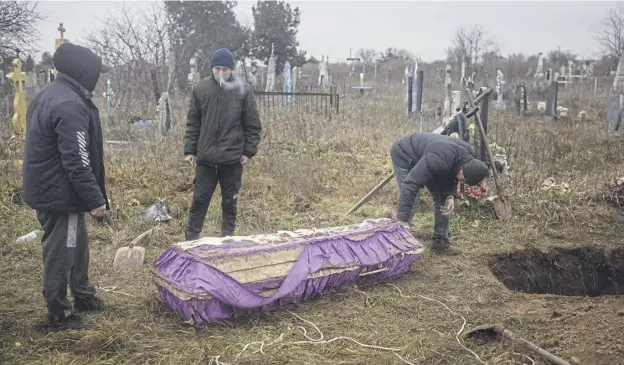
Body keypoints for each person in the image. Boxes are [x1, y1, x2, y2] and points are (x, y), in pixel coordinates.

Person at [22, 43, 111, 331]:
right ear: (83, 72)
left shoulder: (53, 94)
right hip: (60, 193)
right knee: (62, 249)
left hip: (53, 188)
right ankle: (59, 312)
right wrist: (95, 199)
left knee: (77, 244)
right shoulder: (69, 104)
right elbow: (77, 159)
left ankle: (83, 294)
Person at [183, 48, 262, 240]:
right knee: (199, 201)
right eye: (217, 68)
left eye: (225, 69)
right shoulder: (201, 89)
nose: (221, 73)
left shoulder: (243, 91)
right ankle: (191, 240)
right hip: (206, 159)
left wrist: (248, 152)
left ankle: (227, 240)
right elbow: (193, 122)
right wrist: (190, 150)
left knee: (230, 202)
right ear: (212, 68)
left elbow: (252, 125)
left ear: (231, 70)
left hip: (232, 159)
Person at [390, 132, 489, 255]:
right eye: (463, 180)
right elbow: (410, 184)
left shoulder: (466, 155)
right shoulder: (437, 161)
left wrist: (449, 195)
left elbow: (452, 174)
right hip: (404, 152)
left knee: (443, 199)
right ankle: (397, 237)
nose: (461, 182)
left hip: (432, 155)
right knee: (414, 199)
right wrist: (402, 218)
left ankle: (440, 242)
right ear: (463, 169)